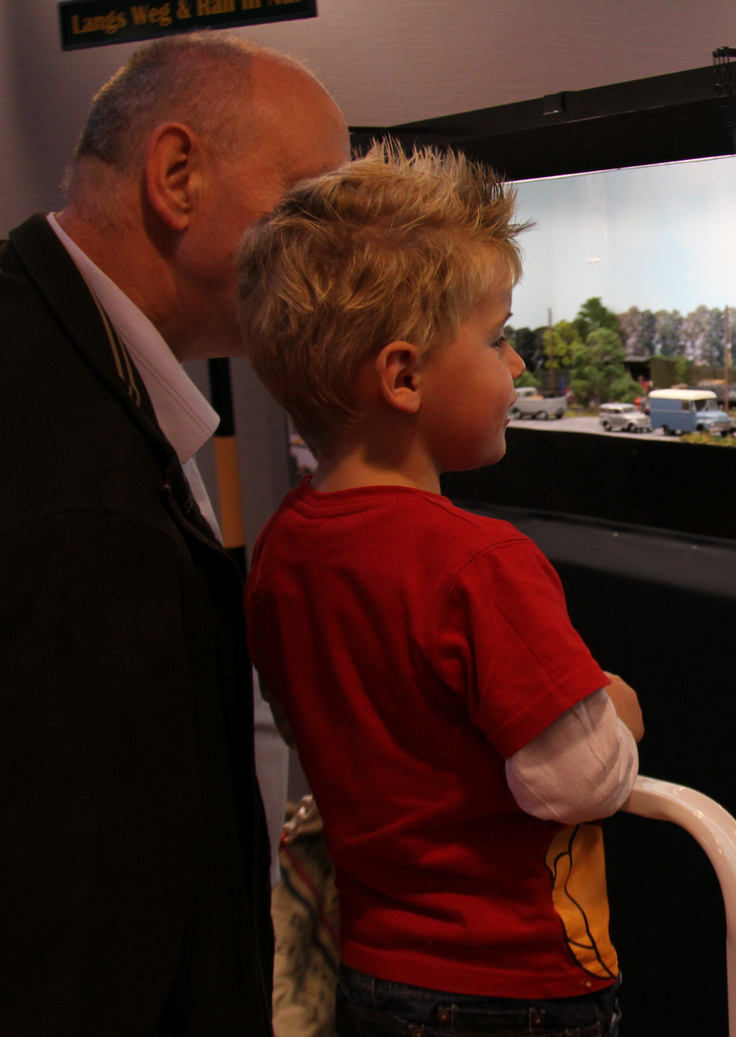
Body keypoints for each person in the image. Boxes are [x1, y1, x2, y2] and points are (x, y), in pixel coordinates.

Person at [238, 144, 644, 1036]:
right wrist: (617, 707)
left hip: (371, 969)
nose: (519, 365)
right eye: (497, 337)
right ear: (404, 377)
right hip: (512, 988)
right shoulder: (476, 562)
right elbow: (580, 780)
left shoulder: (284, 547)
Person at [0, 33, 348, 1036]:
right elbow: (80, 944)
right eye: (308, 205)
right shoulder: (84, 500)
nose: (335, 256)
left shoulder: (54, 360)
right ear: (177, 176)